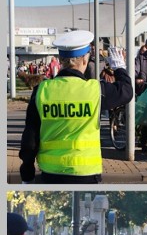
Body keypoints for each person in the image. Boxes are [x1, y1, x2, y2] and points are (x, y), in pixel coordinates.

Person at [19, 30, 133, 183]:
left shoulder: (41, 91)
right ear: (85, 60)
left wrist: (27, 174)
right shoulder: (96, 90)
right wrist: (119, 68)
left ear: (61, 59)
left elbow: (30, 137)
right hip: (86, 174)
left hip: (51, 173)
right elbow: (126, 91)